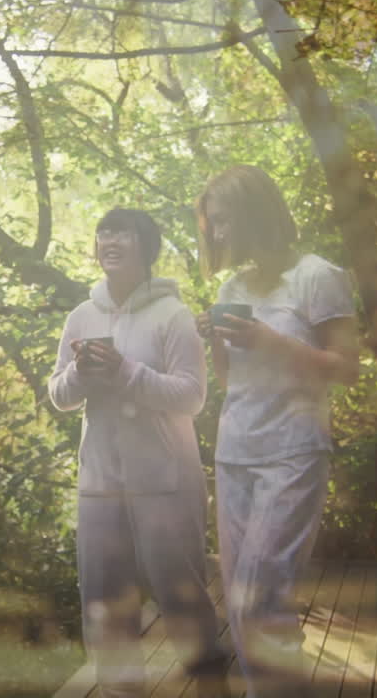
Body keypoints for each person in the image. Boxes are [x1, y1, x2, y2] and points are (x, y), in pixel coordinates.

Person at [49, 208, 229, 698]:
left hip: (167, 481)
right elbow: (59, 397)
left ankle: (212, 686)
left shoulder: (172, 315)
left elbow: (192, 397)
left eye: (121, 233)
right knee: (104, 601)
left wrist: (126, 370)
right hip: (100, 484)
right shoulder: (82, 316)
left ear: (146, 247)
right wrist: (82, 375)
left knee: (182, 595)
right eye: (103, 232)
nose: (109, 240)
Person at [195, 165, 359, 697]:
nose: (216, 235)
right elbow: (229, 379)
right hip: (235, 449)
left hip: (293, 448)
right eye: (212, 226)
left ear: (251, 213)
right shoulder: (232, 285)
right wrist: (218, 337)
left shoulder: (316, 275)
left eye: (222, 222)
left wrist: (266, 338)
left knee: (263, 590)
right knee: (242, 596)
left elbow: (346, 368)